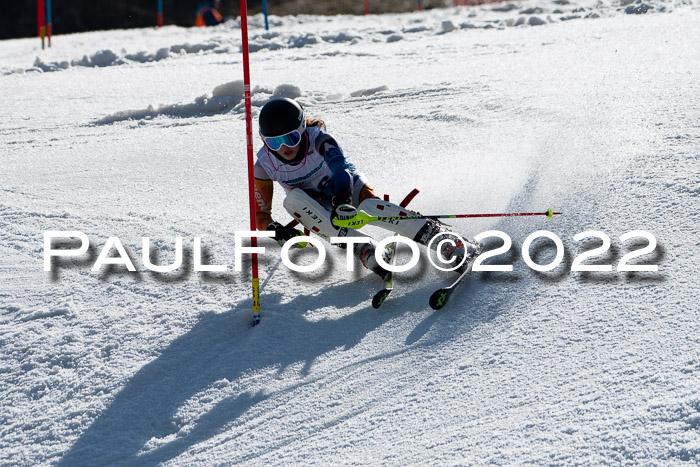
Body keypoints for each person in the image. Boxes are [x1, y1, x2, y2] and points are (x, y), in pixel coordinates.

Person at [253, 97, 481, 279]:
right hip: (317, 208)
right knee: (292, 202)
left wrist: (342, 202)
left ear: (302, 129)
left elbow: (341, 170)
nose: (284, 147)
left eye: (291, 138)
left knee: (370, 206)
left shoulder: (319, 140)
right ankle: (365, 248)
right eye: (274, 142)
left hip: (346, 189)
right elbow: (260, 215)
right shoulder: (264, 165)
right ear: (265, 141)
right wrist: (277, 231)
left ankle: (442, 239)